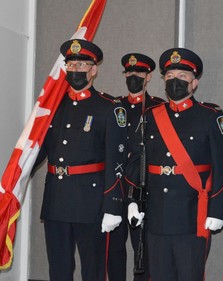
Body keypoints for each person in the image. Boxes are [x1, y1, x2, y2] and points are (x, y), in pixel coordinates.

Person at [127, 48, 223, 281]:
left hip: (192, 217)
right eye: (170, 75)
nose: (175, 80)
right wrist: (133, 201)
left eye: (182, 76)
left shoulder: (210, 115)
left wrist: (217, 210)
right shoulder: (151, 115)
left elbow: (222, 165)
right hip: (155, 216)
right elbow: (135, 161)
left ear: (194, 83)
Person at [33, 39, 127, 281]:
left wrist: (113, 206)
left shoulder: (109, 108)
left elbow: (116, 161)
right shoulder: (53, 105)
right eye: (71, 65)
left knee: (92, 271)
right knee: (59, 269)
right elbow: (38, 149)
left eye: (81, 65)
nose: (75, 70)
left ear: (93, 69)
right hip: (56, 199)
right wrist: (14, 180)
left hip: (91, 202)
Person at [107, 53, 164, 281]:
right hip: (116, 189)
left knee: (143, 251)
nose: (133, 77)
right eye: (129, 73)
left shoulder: (158, 108)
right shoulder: (114, 106)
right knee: (114, 251)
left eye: (139, 73)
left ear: (148, 77)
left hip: (142, 191)